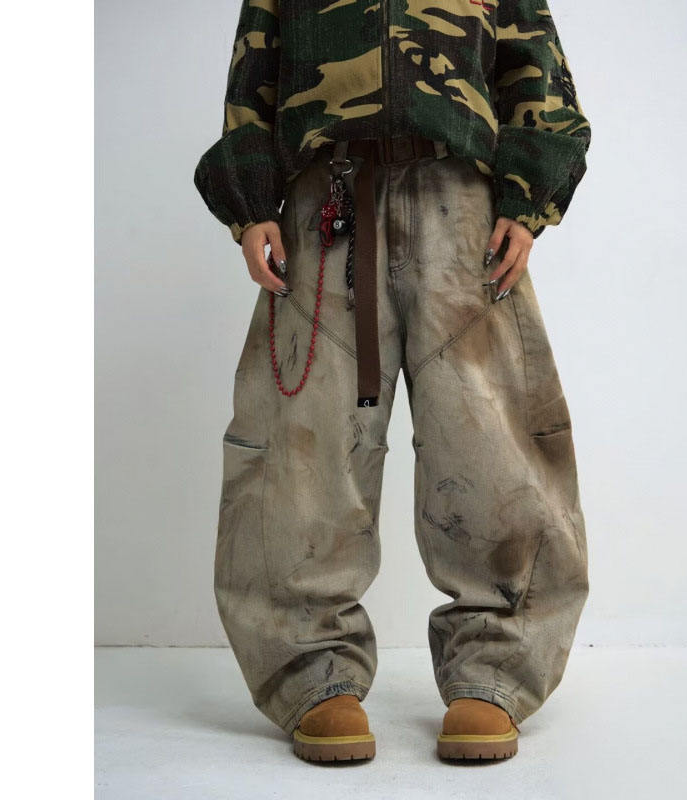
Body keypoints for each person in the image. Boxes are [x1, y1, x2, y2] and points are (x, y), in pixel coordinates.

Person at [194, 0, 590, 764]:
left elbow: (533, 64)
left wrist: (528, 198)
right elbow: (254, 76)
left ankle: (495, 670)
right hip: (324, 205)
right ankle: (313, 672)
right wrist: (249, 205)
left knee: (492, 442)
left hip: (465, 208)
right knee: (302, 443)